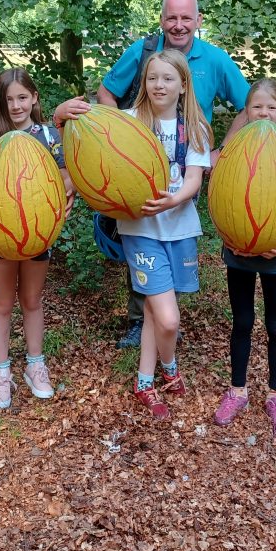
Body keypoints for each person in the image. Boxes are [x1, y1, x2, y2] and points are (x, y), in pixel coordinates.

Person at [76, 0, 251, 349]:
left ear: (198, 21)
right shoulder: (144, 54)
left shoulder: (215, 60)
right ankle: (142, 320)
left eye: (187, 18)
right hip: (138, 166)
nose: (179, 25)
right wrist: (114, 144)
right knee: (141, 231)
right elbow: (106, 93)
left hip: (188, 162)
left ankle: (163, 314)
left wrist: (221, 153)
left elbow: (250, 105)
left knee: (170, 233)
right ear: (161, 19)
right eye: (172, 17)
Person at [103, 49, 212, 420]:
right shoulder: (129, 121)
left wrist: (171, 201)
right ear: (144, 83)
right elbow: (97, 140)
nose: (159, 85)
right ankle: (170, 367)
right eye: (152, 78)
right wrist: (65, 114)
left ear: (183, 85)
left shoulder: (194, 127)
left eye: (168, 79)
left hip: (179, 228)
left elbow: (194, 181)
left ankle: (144, 382)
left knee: (153, 310)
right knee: (168, 318)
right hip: (141, 229)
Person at [0, 68, 74, 410]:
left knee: (31, 299)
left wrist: (61, 202)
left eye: (22, 97)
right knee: (0, 303)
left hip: (38, 235)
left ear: (34, 98)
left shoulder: (47, 137)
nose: (16, 105)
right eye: (9, 99)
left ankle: (35, 364)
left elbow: (66, 179)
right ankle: (1, 371)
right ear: (0, 102)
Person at [212, 79, 276, 435]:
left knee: (275, 325)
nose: (264, 113)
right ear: (246, 112)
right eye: (257, 107)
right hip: (239, 252)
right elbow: (220, 198)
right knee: (242, 322)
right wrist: (227, 235)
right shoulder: (232, 151)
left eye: (271, 108)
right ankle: (237, 391)